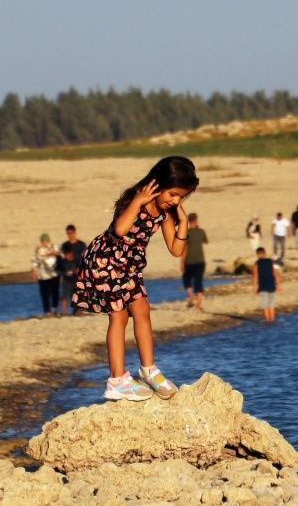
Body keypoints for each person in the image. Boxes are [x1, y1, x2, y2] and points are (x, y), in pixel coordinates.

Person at [74, 156, 199, 401]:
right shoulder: (137, 199)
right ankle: (117, 380)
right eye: (172, 194)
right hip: (106, 260)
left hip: (128, 266)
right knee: (118, 316)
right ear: (158, 184)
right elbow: (120, 229)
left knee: (142, 310)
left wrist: (182, 221)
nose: (175, 201)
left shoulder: (164, 213)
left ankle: (148, 370)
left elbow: (176, 249)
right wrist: (139, 201)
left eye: (181, 197)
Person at [181, 212, 209, 310]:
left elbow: (184, 249)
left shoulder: (186, 232)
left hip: (189, 261)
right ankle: (199, 304)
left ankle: (191, 297)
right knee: (198, 281)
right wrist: (198, 228)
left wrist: (182, 263)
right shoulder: (201, 231)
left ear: (188, 221)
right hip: (200, 261)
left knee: (186, 279)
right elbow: (206, 241)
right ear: (196, 220)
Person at [59, 224, 87, 315]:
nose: (70, 234)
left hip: (78, 274)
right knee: (65, 295)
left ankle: (79, 311)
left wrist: (80, 269)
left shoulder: (81, 245)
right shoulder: (64, 245)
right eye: (68, 233)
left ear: (75, 232)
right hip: (67, 275)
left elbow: (85, 258)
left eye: (71, 232)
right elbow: (61, 260)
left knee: (78, 293)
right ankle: (63, 312)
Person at [31, 233, 60, 317]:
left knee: (55, 292)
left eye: (46, 240)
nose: (45, 242)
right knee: (44, 294)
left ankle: (54, 309)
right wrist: (34, 271)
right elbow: (34, 260)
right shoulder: (38, 249)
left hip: (54, 274)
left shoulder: (54, 247)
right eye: (43, 241)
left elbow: (60, 255)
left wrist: (54, 253)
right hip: (42, 275)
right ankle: (47, 311)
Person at [252, 247, 282, 323]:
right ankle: (272, 320)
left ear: (257, 255)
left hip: (263, 287)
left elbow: (255, 276)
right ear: (265, 254)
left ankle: (268, 321)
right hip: (271, 285)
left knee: (265, 305)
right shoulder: (270, 262)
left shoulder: (257, 263)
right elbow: (276, 274)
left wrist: (255, 288)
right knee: (271, 304)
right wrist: (278, 286)